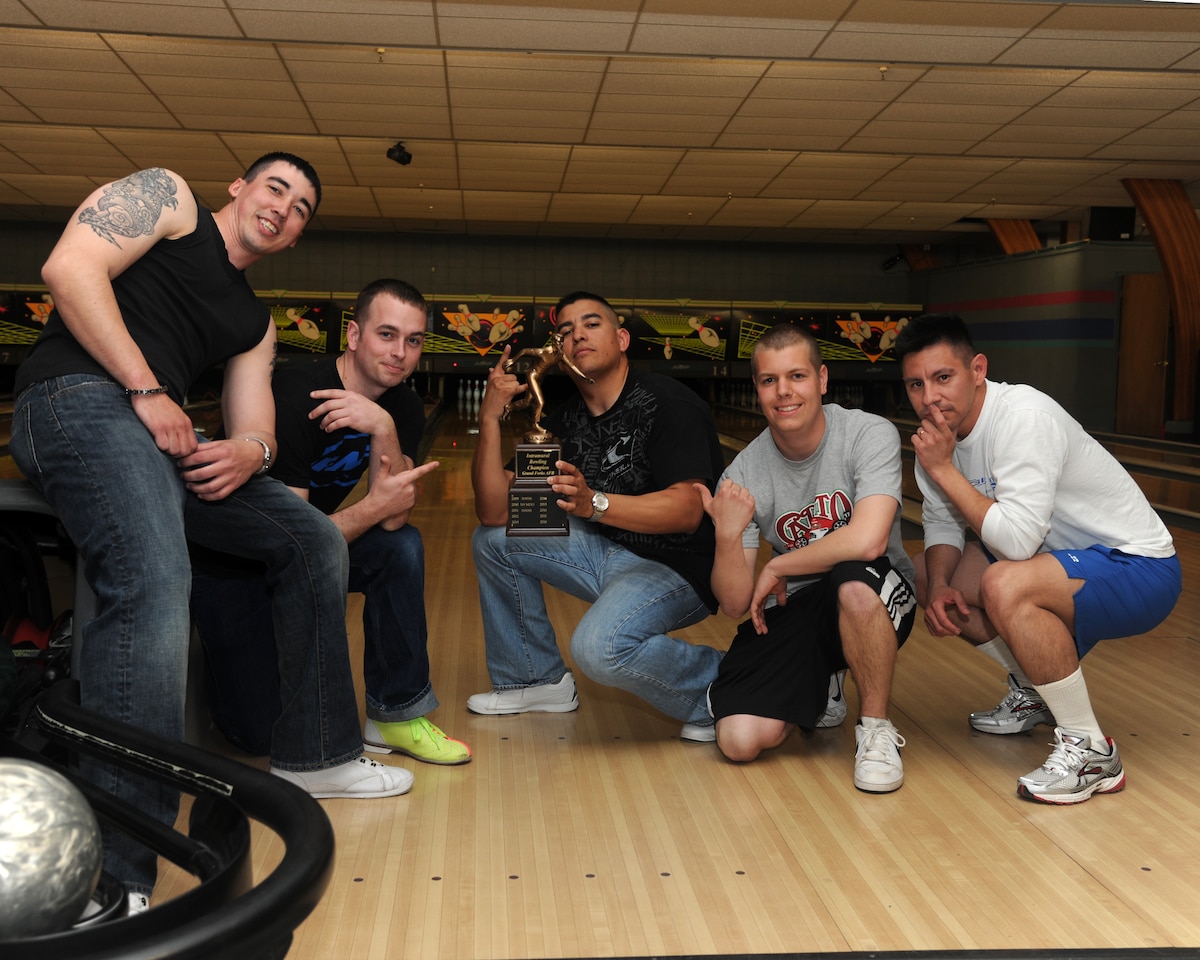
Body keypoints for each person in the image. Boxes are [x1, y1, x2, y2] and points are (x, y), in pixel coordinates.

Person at [8, 154, 411, 908]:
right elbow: (69, 270)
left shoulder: (254, 322)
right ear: (240, 188)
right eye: (276, 188)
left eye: (301, 209)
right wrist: (149, 388)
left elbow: (253, 414)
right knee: (157, 581)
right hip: (76, 400)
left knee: (312, 538)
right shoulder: (167, 199)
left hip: (162, 438)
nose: (284, 208)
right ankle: (117, 874)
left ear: (294, 239)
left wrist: (248, 450)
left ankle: (316, 753)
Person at [893, 312, 1181, 805]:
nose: (930, 398)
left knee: (1004, 582)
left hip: (1138, 567)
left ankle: (1090, 749)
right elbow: (941, 525)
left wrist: (944, 469)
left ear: (977, 369)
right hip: (1063, 564)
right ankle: (1036, 689)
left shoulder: (1023, 418)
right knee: (921, 572)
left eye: (944, 378)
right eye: (916, 384)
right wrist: (940, 584)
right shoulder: (939, 441)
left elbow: (1018, 544)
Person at [192, 278, 469, 765]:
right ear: (355, 336)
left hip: (305, 550)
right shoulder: (298, 395)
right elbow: (294, 541)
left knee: (401, 546)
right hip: (232, 564)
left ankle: (396, 713)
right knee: (260, 737)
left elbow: (393, 519)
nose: (401, 352)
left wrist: (382, 424)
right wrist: (372, 507)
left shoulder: (400, 402)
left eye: (414, 340)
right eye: (387, 335)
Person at [467, 291, 724, 738]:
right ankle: (537, 680)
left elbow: (687, 510)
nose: (576, 335)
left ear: (622, 338)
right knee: (494, 542)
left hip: (677, 568)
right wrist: (490, 417)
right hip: (604, 554)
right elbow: (494, 512)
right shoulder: (560, 422)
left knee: (599, 649)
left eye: (591, 324)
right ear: (558, 352)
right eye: (565, 330)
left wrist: (594, 503)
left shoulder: (669, 403)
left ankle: (734, 680)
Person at [699, 323, 917, 792]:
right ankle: (827, 680)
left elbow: (869, 541)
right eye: (769, 380)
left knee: (852, 577)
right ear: (756, 388)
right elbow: (737, 603)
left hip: (880, 594)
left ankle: (876, 730)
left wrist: (777, 565)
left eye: (796, 376)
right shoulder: (743, 472)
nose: (784, 392)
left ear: (821, 379)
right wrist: (726, 535)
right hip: (801, 607)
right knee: (738, 740)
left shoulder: (866, 433)